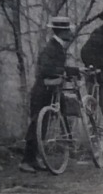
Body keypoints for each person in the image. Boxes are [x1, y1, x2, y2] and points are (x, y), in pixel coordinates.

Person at [19, 16, 79, 172]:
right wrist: (67, 72)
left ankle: (35, 159)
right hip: (42, 91)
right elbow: (46, 69)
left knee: (43, 127)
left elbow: (57, 68)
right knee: (36, 125)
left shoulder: (58, 47)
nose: (71, 33)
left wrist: (73, 72)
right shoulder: (51, 48)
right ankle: (26, 161)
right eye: (67, 30)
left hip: (51, 90)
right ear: (61, 31)